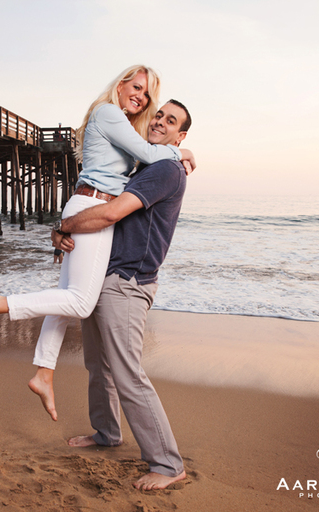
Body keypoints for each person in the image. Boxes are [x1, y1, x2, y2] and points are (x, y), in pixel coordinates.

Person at [0, 66, 196, 421]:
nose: (141, 98)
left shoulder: (119, 121)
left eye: (147, 95)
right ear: (121, 84)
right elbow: (148, 154)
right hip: (93, 205)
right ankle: (0, 302)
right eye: (137, 88)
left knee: (66, 296)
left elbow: (143, 154)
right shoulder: (109, 112)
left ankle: (43, 373)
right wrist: (183, 152)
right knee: (81, 302)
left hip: (87, 202)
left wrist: (65, 225)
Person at [58, 99, 192, 491]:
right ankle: (106, 433)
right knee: (98, 365)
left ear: (179, 136)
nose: (161, 123)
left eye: (171, 122)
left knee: (128, 374)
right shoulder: (143, 166)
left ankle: (168, 464)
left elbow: (110, 213)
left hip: (128, 282)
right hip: (106, 275)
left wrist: (64, 225)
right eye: (159, 116)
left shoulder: (164, 170)